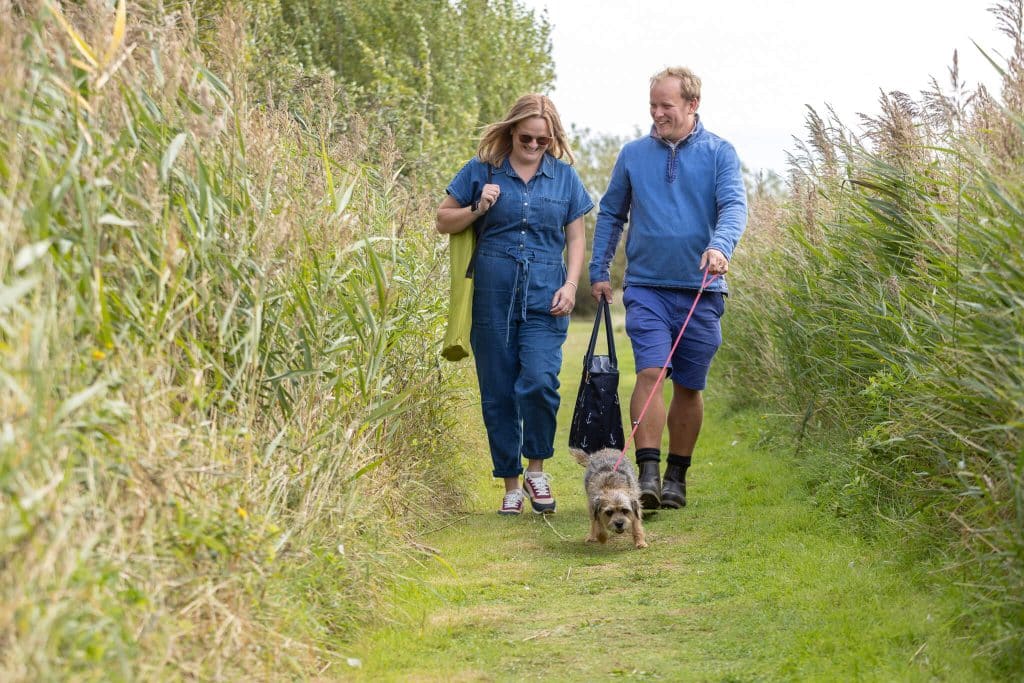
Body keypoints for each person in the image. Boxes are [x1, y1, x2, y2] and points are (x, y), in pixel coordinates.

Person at [589, 67, 747, 510]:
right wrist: (599, 269)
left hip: (702, 288)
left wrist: (720, 247)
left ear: (692, 105)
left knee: (690, 387)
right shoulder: (633, 154)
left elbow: (734, 205)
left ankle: (677, 475)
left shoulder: (720, 153)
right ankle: (648, 473)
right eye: (653, 106)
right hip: (647, 286)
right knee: (651, 372)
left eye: (666, 107)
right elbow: (611, 214)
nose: (657, 114)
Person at [437, 94, 593, 516]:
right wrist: (477, 206)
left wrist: (571, 283)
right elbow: (442, 220)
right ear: (511, 132)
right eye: (527, 137)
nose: (534, 145)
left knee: (540, 381)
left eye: (543, 140)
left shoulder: (565, 178)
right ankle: (510, 482)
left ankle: (536, 469)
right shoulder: (481, 170)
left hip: (547, 292)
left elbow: (576, 237)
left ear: (552, 138)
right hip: (492, 292)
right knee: (499, 390)